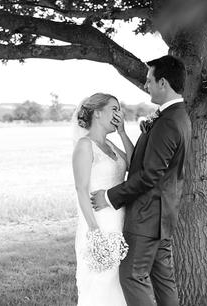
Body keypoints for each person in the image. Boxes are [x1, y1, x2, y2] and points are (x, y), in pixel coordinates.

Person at [91, 55, 192, 306]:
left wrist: (108, 196)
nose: (146, 84)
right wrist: (125, 132)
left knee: (133, 277)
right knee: (163, 280)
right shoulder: (178, 116)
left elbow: (149, 175)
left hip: (147, 217)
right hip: (163, 216)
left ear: (163, 83)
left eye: (149, 80)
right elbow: (148, 163)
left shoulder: (168, 122)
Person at [72, 93, 134, 306]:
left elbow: (135, 166)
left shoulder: (111, 145)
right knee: (101, 283)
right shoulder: (85, 145)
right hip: (99, 224)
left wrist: (123, 133)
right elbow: (81, 190)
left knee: (118, 283)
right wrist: (94, 231)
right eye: (114, 109)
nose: (119, 114)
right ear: (97, 113)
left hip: (120, 221)